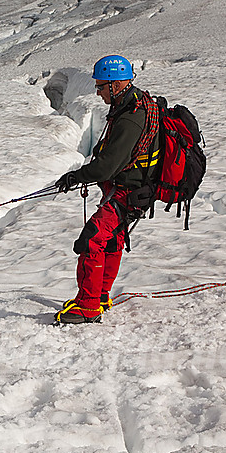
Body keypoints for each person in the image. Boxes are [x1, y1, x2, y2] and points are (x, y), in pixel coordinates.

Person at [54, 55, 160, 324]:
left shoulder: (130, 118)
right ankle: (100, 296)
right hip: (132, 190)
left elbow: (106, 167)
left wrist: (76, 176)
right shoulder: (134, 106)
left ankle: (88, 307)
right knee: (111, 240)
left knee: (91, 240)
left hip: (127, 192)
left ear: (115, 84)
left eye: (101, 87)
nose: (98, 92)